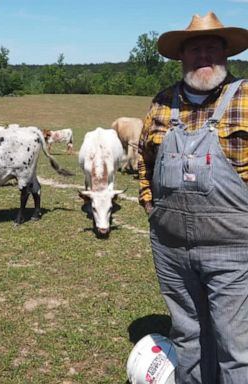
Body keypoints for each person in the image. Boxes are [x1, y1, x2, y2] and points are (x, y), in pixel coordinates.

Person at [138, 11, 248, 384]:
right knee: (186, 337)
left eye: (212, 48)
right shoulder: (162, 102)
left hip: (233, 250)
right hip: (170, 251)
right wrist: (151, 208)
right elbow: (144, 160)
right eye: (195, 48)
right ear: (182, 57)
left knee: (234, 345)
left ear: (226, 55)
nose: (204, 56)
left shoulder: (246, 97)